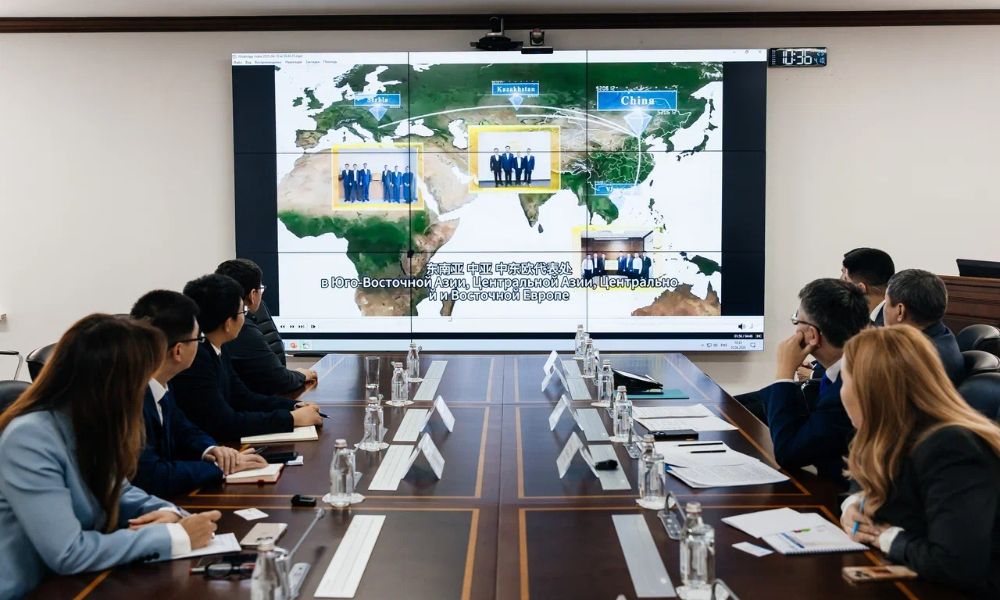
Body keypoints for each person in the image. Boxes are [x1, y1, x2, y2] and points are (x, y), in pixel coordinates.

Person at [0, 315, 222, 598]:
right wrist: (173, 536)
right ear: (113, 385)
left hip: (78, 582)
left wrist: (170, 514)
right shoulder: (30, 437)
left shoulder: (87, 423)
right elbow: (68, 552)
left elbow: (120, 490)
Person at [838, 326, 1000, 597]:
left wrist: (883, 536)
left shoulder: (950, 446)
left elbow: (956, 564)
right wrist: (853, 506)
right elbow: (863, 482)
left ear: (871, 391)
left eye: (845, 382)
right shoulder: (890, 433)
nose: (842, 393)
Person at [130, 290, 268, 498]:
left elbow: (183, 429)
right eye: (198, 338)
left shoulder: (161, 383)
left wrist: (211, 450)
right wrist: (219, 469)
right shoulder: (130, 399)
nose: (201, 344)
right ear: (178, 351)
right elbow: (152, 476)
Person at [170, 274, 322, 442]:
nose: (246, 317)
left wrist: (293, 406)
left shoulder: (218, 347)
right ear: (228, 323)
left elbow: (243, 397)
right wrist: (292, 419)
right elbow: (226, 423)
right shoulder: (197, 359)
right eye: (243, 311)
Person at [756, 278, 870, 483]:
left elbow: (788, 452)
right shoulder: (855, 365)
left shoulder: (849, 388)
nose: (795, 328)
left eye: (796, 321)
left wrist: (784, 372)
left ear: (812, 334)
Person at [216, 258, 318, 396]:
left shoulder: (217, 320)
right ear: (252, 295)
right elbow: (279, 380)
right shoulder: (242, 330)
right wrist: (301, 375)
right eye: (261, 289)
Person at [882, 269, 965, 385]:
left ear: (900, 311)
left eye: (886, 302)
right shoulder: (943, 335)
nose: (883, 308)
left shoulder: (914, 360)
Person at [840, 247, 895, 326]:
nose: (840, 284)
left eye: (845, 279)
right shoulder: (879, 317)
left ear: (860, 289)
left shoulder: (886, 327)